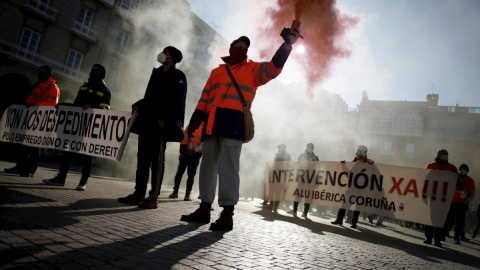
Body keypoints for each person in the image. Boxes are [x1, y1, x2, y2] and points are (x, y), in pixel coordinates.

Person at [180, 29, 300, 231]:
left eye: (245, 48)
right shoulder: (216, 71)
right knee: (207, 166)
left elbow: (273, 68)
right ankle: (204, 208)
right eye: (239, 46)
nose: (242, 49)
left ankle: (227, 213)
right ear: (231, 47)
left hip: (233, 124)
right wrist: (195, 119)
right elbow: (205, 98)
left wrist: (286, 46)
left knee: (228, 168)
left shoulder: (253, 69)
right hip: (210, 122)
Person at [118, 46, 187, 209]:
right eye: (163, 51)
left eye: (166, 52)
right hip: (147, 121)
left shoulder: (178, 76)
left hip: (162, 124)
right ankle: (139, 193)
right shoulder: (156, 72)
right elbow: (149, 95)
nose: (163, 54)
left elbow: (178, 101)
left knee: (157, 161)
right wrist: (138, 105)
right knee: (142, 159)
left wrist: (165, 118)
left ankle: (153, 197)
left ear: (173, 57)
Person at [42, 64, 110, 190]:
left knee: (87, 153)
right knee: (68, 150)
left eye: (96, 70)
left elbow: (106, 108)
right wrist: (63, 105)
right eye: (92, 69)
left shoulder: (104, 90)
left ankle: (83, 182)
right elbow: (76, 105)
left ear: (101, 74)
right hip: (76, 124)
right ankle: (61, 177)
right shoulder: (83, 87)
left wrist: (92, 106)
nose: (93, 72)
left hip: (90, 126)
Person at [4, 66, 60, 177]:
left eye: (44, 71)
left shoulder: (53, 86)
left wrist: (36, 105)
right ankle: (20, 167)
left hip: (40, 119)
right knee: (25, 143)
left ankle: (30, 170)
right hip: (29, 117)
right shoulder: (39, 84)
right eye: (40, 71)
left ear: (49, 73)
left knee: (34, 145)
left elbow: (53, 103)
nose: (41, 72)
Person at [331, 145, 374, 229]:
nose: (357, 151)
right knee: (345, 203)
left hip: (361, 188)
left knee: (358, 205)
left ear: (364, 152)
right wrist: (344, 165)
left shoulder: (369, 163)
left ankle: (354, 222)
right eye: (357, 150)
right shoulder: (355, 160)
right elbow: (348, 172)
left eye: (359, 150)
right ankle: (339, 219)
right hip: (352, 187)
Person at [423, 149, 458, 247]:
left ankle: (437, 239)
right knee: (430, 218)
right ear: (438, 155)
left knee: (441, 219)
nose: (445, 156)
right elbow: (425, 180)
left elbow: (457, 182)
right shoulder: (430, 166)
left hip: (445, 198)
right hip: (433, 196)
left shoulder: (452, 168)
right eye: (443, 155)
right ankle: (428, 238)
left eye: (447, 154)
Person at [168, 123, 204, 201]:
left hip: (187, 153)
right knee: (190, 175)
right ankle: (187, 195)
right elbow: (204, 144)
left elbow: (184, 138)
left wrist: (182, 152)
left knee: (180, 173)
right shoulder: (205, 128)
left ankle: (175, 192)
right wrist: (194, 150)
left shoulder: (191, 125)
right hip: (194, 154)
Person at [444, 164, 475, 244]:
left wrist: (467, 201)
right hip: (451, 202)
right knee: (449, 220)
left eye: (464, 169)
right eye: (461, 169)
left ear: (467, 171)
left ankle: (456, 237)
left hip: (462, 204)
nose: (462, 170)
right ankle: (444, 233)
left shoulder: (470, 181)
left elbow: (472, 193)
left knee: (460, 222)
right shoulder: (454, 176)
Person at [288, 143, 319, 218]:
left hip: (310, 180)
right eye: (309, 147)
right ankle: (294, 210)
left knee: (308, 197)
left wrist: (316, 181)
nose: (310, 148)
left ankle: (305, 212)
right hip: (302, 179)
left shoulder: (315, 157)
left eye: (312, 147)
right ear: (307, 147)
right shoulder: (302, 155)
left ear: (313, 148)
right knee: (298, 195)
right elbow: (298, 165)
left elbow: (318, 169)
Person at [270, 144, 292, 213]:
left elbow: (289, 165)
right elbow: (274, 163)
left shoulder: (287, 156)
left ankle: (276, 206)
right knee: (272, 190)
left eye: (280, 148)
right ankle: (271, 205)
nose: (278, 149)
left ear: (283, 148)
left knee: (278, 191)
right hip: (275, 174)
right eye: (278, 148)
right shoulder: (276, 155)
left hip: (282, 175)